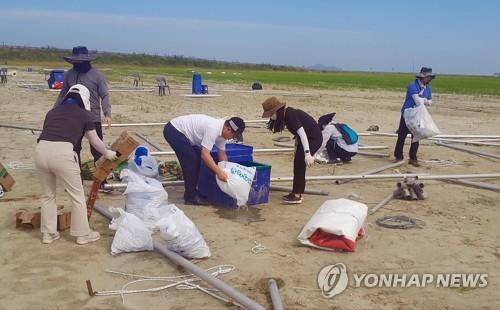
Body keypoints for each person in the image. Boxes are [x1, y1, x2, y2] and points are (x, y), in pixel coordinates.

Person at [35, 84, 117, 245]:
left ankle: (48, 234)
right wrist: (107, 153)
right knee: (77, 196)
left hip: (40, 151)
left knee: (48, 195)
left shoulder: (52, 112)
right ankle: (82, 234)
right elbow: (94, 141)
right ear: (84, 100)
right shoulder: (84, 115)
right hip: (64, 153)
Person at [163, 115, 246, 205]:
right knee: (191, 160)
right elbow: (205, 154)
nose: (231, 139)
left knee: (197, 157)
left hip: (184, 135)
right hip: (173, 130)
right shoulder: (214, 128)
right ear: (228, 129)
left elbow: (222, 154)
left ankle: (193, 192)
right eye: (233, 136)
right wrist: (219, 172)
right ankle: (190, 197)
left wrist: (226, 171)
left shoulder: (222, 135)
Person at [54, 46, 111, 164]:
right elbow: (63, 95)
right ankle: (76, 176)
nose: (78, 64)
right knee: (74, 148)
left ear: (87, 61)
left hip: (92, 117)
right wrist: (55, 111)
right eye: (75, 62)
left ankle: (101, 180)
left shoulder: (97, 75)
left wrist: (107, 114)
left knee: (97, 149)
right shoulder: (69, 75)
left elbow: (104, 95)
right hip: (73, 118)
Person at [261, 97, 322, 204]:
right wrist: (296, 146)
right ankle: (296, 192)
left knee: (299, 164)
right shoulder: (287, 114)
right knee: (297, 163)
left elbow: (303, 133)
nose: (271, 116)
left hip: (312, 139)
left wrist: (307, 153)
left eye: (271, 114)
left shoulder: (290, 116)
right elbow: (298, 134)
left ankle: (297, 195)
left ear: (277, 111)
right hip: (307, 139)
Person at [394, 67, 436, 167]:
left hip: (418, 114)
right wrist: (425, 100)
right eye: (428, 77)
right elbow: (418, 101)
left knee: (417, 136)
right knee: (402, 135)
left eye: (430, 77)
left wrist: (424, 100)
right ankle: (398, 156)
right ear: (423, 77)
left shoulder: (428, 88)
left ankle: (413, 158)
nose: (429, 79)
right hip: (407, 113)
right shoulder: (412, 85)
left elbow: (430, 102)